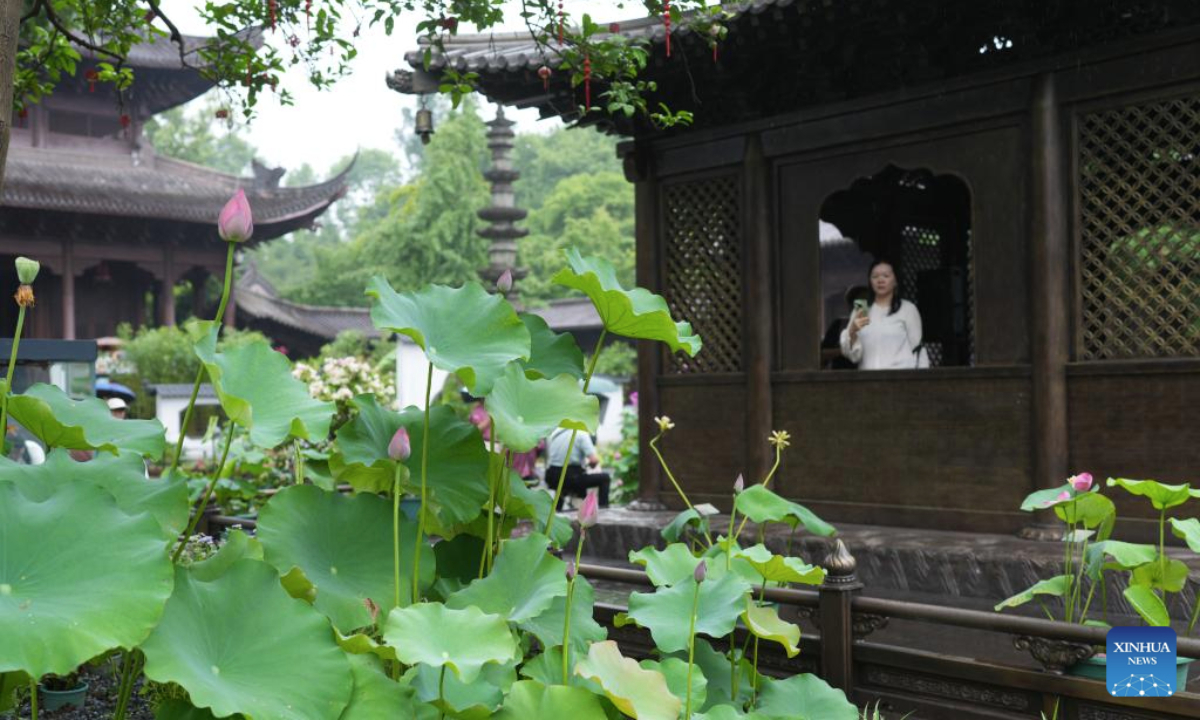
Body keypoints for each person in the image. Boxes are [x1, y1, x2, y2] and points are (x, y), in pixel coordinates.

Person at [840, 260, 927, 370]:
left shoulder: (907, 308)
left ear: (895, 281)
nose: (880, 280)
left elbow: (918, 349)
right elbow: (854, 357)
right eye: (875, 277)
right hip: (868, 380)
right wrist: (852, 332)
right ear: (870, 282)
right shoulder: (862, 309)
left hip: (900, 380)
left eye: (886, 276)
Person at [546, 426, 611, 511]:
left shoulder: (555, 434)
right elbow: (594, 460)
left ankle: (557, 510)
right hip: (571, 478)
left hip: (552, 477)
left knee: (562, 486)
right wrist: (591, 465)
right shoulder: (581, 434)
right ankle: (604, 511)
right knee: (605, 478)